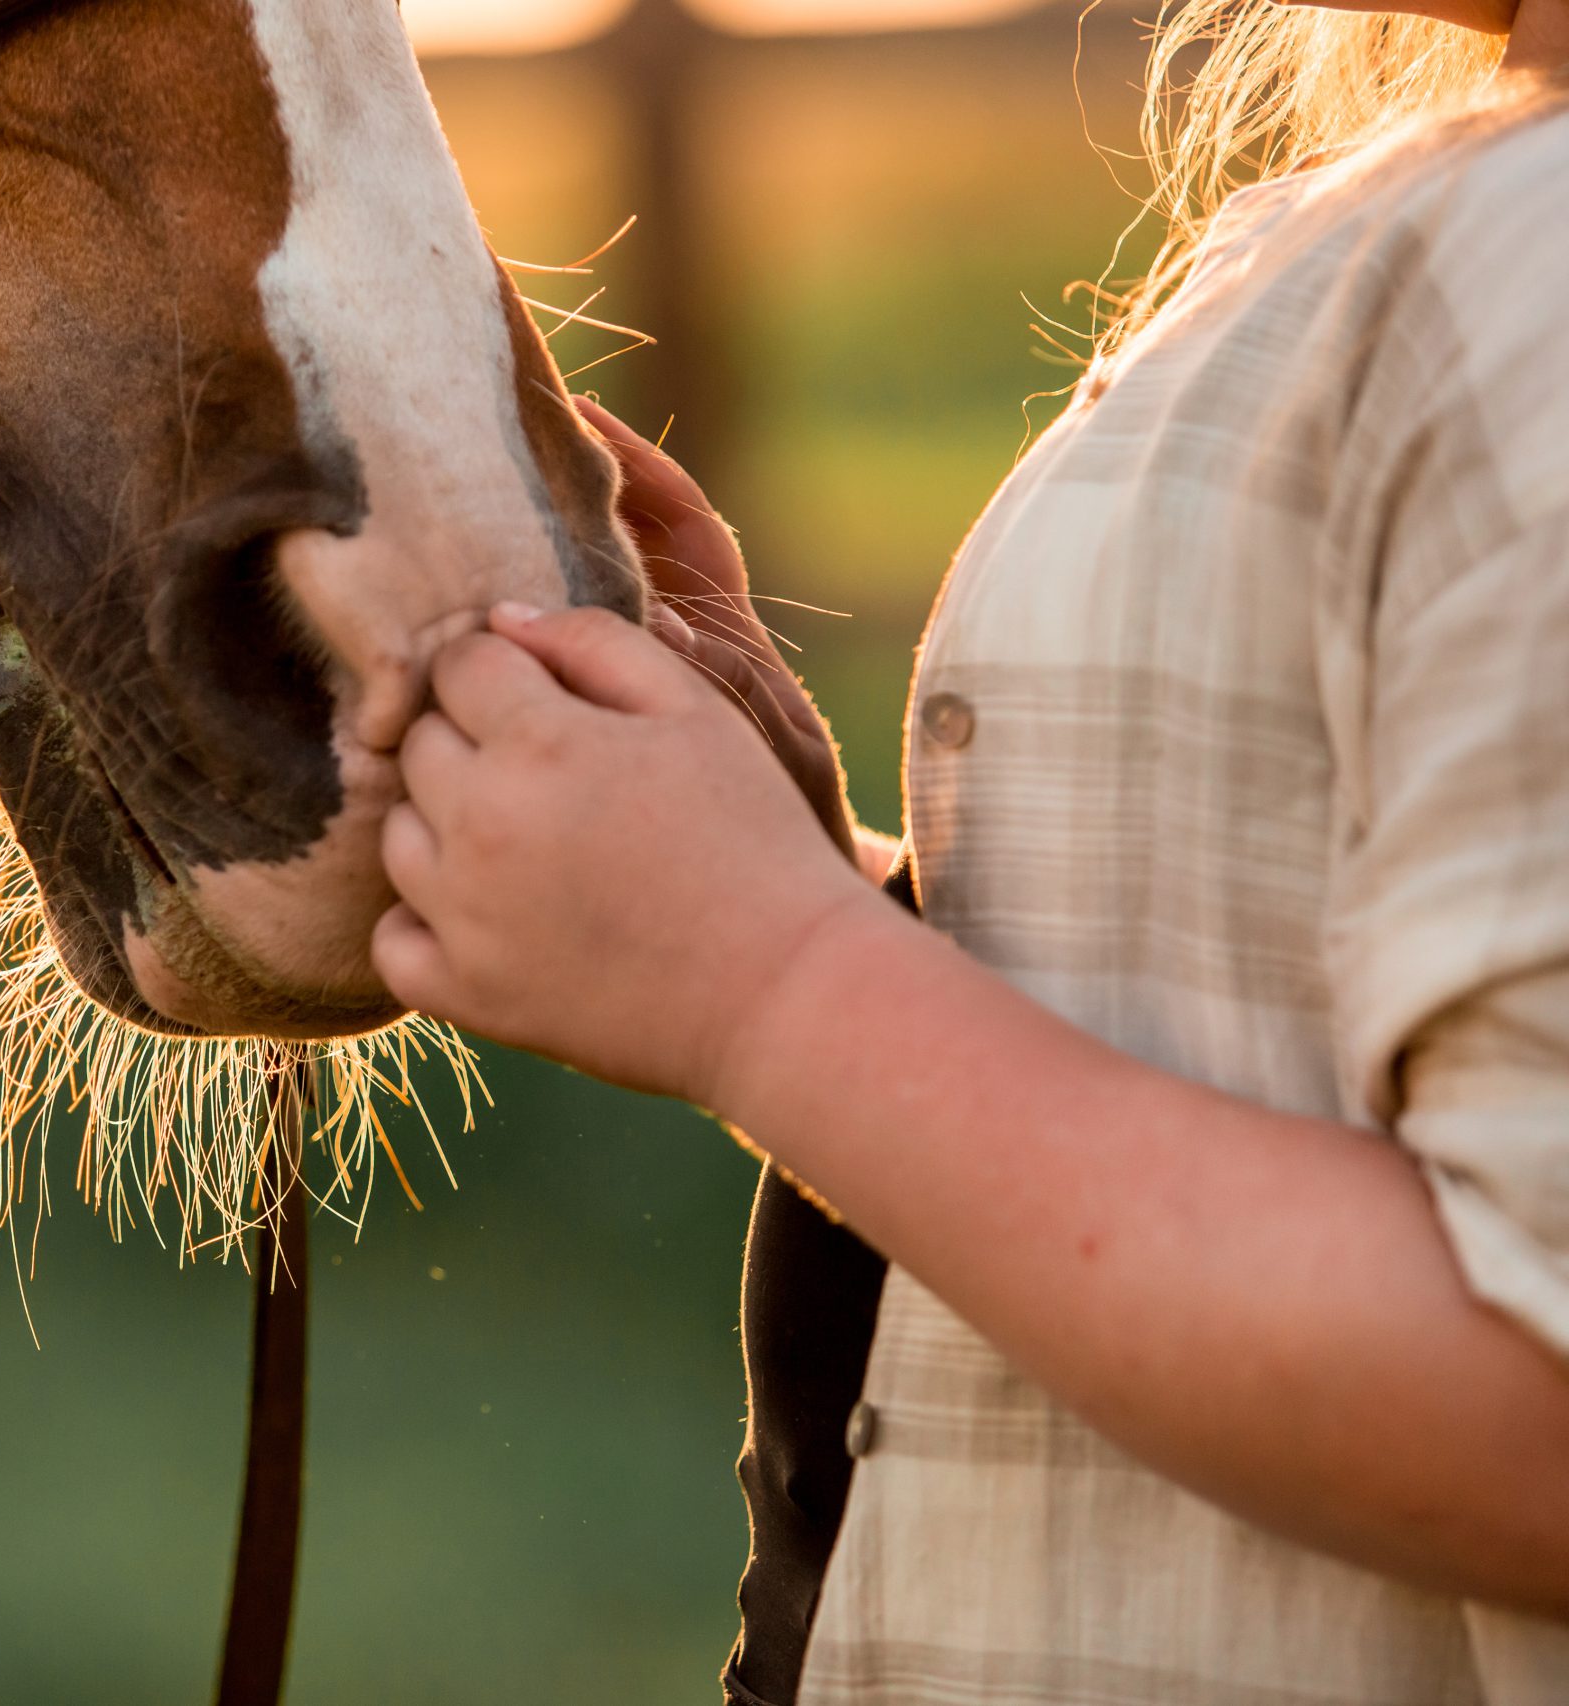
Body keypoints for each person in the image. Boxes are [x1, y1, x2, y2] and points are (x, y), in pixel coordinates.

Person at [371, 0, 1569, 1700]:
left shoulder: (1535, 281)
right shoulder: (1437, 224)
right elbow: (1260, 1016)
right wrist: (814, 874)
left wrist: (770, 982)